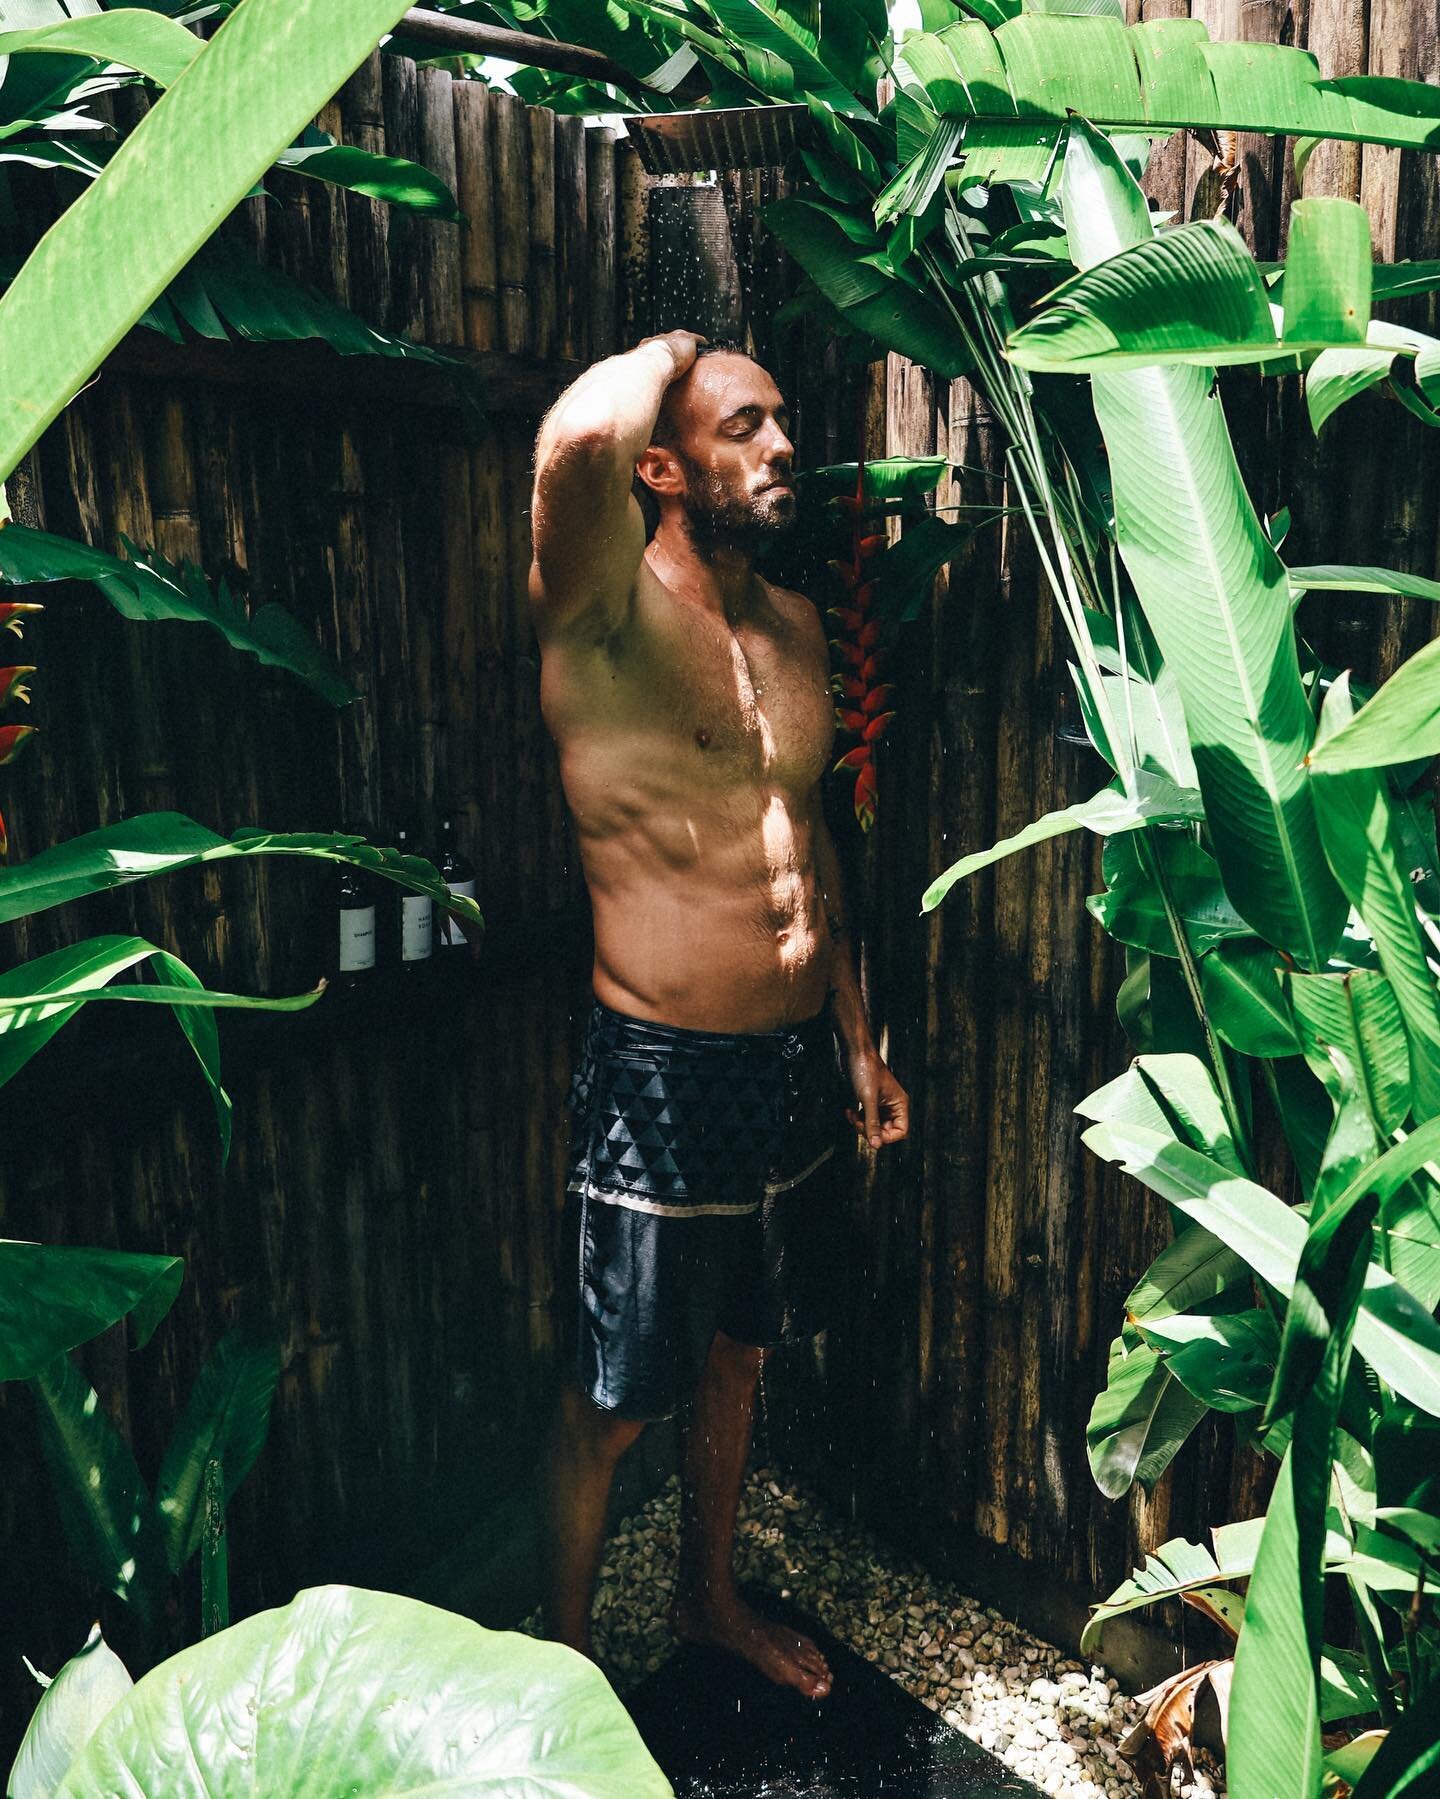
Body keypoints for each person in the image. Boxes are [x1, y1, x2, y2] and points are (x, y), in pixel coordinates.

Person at [530, 329, 909, 1702]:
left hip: (793, 1063)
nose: (783, 447)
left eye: (783, 423)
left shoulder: (796, 628)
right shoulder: (604, 619)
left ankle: (705, 1599)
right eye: (743, 427)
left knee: (744, 1350)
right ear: (665, 466)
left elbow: (810, 841)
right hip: (661, 1068)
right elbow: (570, 448)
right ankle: (561, 1686)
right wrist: (674, 341)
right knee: (622, 1394)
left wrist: (855, 1036)